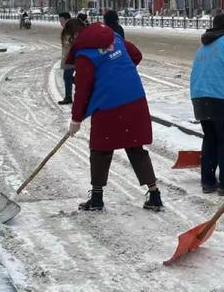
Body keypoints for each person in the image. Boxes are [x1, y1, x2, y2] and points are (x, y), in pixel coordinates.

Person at [66, 22, 163, 212]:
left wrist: (76, 120)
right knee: (135, 146)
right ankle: (154, 194)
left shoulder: (85, 54)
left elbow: (83, 90)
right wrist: (117, 71)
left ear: (76, 35)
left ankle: (96, 198)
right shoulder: (115, 38)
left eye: (70, 39)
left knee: (101, 149)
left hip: (108, 105)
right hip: (134, 98)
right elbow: (136, 55)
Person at [190, 13, 224, 195]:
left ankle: (208, 181)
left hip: (200, 97)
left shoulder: (204, 46)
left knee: (210, 139)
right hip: (223, 98)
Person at [58, 12, 74, 105]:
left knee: (67, 77)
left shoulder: (70, 29)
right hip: (70, 57)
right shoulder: (68, 28)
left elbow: (71, 43)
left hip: (71, 57)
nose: (60, 22)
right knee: (68, 77)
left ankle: (68, 97)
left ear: (66, 19)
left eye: (61, 20)